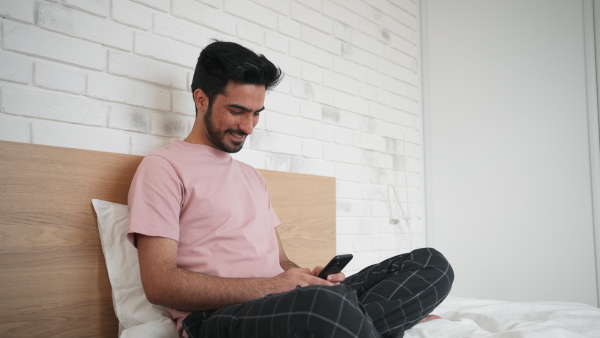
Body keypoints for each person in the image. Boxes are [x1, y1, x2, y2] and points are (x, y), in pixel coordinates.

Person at [127, 40, 454, 338]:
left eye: (257, 114)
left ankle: (355, 323)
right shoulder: (164, 168)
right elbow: (160, 283)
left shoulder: (252, 176)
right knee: (326, 308)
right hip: (216, 319)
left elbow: (280, 260)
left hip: (286, 304)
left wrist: (305, 277)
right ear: (201, 99)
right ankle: (367, 322)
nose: (249, 127)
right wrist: (276, 287)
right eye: (237, 111)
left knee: (430, 264)